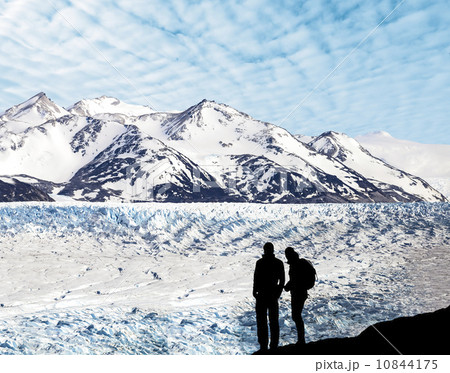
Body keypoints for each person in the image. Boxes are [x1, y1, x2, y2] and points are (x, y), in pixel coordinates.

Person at [253, 242, 285, 351]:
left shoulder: (260, 262)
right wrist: (278, 292)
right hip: (270, 294)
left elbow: (256, 278)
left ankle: (265, 346)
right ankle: (271, 345)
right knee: (271, 321)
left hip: (264, 294)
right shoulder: (277, 263)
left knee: (264, 321)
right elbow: (282, 280)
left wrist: (255, 291)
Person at [284, 247, 309, 345]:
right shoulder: (297, 262)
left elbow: (295, 279)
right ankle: (301, 339)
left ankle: (301, 340)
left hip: (298, 293)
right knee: (297, 316)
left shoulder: (295, 264)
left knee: (296, 316)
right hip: (301, 293)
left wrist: (287, 287)